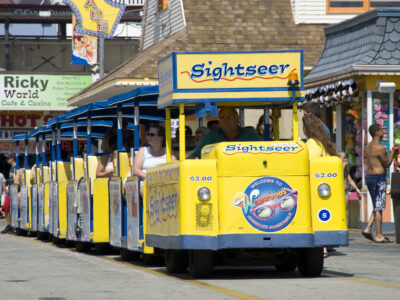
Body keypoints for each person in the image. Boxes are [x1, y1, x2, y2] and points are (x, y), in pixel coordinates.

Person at [303, 113, 335, 258]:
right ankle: (324, 247)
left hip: (311, 186)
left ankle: (320, 248)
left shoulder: (309, 145)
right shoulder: (324, 143)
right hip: (324, 186)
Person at [362, 124, 396, 243]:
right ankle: (379, 235)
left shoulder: (367, 147)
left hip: (370, 177)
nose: (383, 132)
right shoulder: (380, 148)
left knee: (376, 205)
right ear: (376, 133)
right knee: (379, 207)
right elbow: (386, 164)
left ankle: (367, 228)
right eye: (381, 130)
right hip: (378, 178)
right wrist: (392, 152)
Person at [192, 107, 262, 158]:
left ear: (237, 119)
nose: (226, 121)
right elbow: (196, 155)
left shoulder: (250, 134)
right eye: (222, 118)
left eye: (230, 117)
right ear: (219, 122)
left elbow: (264, 152)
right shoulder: (211, 136)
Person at [133, 125, 176, 196]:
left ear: (161, 137)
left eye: (152, 135)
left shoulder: (169, 152)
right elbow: (136, 170)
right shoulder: (143, 151)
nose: (148, 137)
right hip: (147, 182)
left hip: (165, 182)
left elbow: (175, 169)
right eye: (148, 134)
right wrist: (151, 178)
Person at [1, 154, 17, 234]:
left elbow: (18, 180)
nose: (7, 160)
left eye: (8, 158)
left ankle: (11, 225)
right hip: (10, 190)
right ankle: (9, 225)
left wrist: (14, 176)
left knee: (10, 208)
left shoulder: (17, 168)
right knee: (5, 208)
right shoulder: (11, 168)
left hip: (14, 190)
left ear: (12, 159)